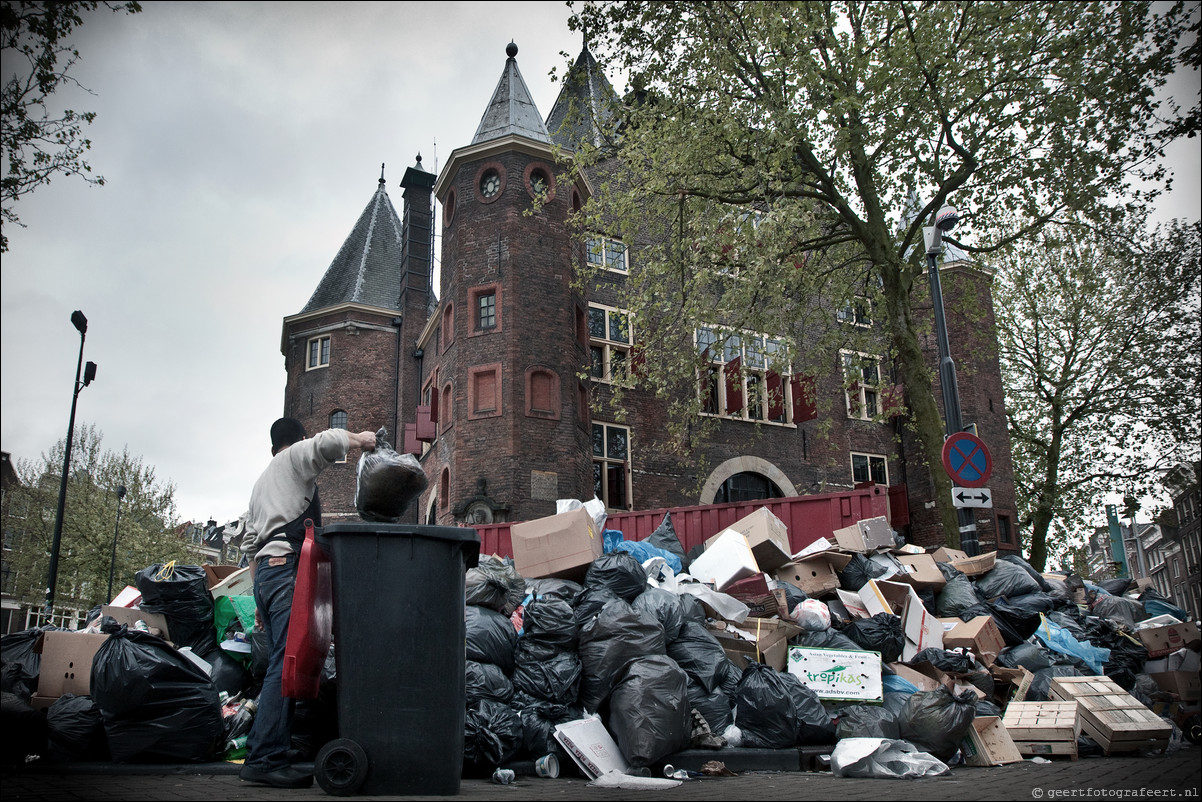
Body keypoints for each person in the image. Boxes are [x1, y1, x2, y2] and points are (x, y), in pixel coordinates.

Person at [238, 417, 376, 789]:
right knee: (285, 664)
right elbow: (327, 441)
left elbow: (250, 546)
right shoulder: (291, 460)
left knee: (282, 663)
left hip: (267, 574)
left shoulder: (261, 484)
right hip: (285, 571)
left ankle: (270, 752)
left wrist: (259, 603)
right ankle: (264, 759)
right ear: (296, 440)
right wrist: (361, 439)